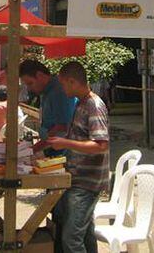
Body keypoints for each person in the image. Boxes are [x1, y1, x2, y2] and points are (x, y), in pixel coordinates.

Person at [47, 61, 110, 253]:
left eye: (63, 84)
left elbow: (101, 145)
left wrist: (65, 143)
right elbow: (79, 137)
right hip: (78, 178)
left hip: (87, 183)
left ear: (73, 82)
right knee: (85, 234)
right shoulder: (81, 103)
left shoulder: (94, 105)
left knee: (71, 239)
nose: (62, 88)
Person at [19, 59, 76, 154]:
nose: (29, 88)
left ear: (40, 75)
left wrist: (32, 150)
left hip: (61, 153)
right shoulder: (46, 91)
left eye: (30, 83)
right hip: (51, 149)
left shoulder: (58, 91)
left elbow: (62, 127)